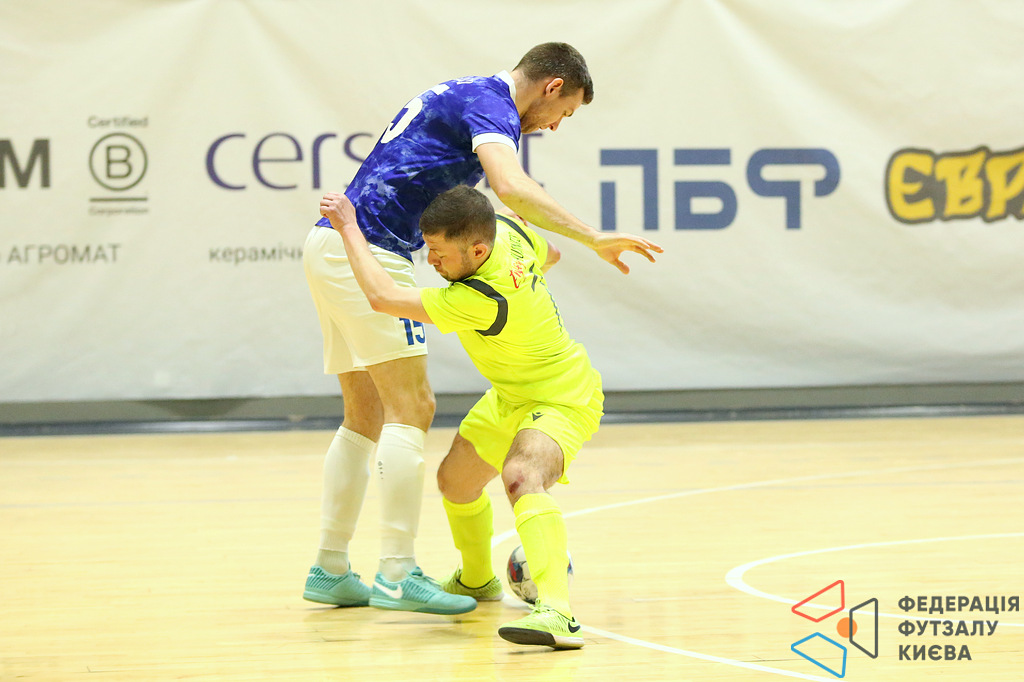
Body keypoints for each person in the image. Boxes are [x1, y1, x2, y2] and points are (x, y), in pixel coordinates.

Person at [302, 42, 661, 616]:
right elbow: (511, 188)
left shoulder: (464, 92)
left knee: (363, 415)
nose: (556, 125)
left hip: (331, 247)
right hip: (371, 250)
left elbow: (515, 216)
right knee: (412, 407)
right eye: (564, 111)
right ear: (551, 86)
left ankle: (330, 567)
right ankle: (397, 573)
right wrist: (593, 236)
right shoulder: (493, 105)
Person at [319, 185, 612, 649]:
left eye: (439, 253)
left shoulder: (479, 296)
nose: (431, 261)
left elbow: (381, 296)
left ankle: (558, 612)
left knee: (521, 476)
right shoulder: (509, 230)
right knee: (455, 483)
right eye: (428, 249)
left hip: (563, 395)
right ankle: (476, 580)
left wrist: (349, 227)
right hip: (510, 395)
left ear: (477, 250)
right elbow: (551, 252)